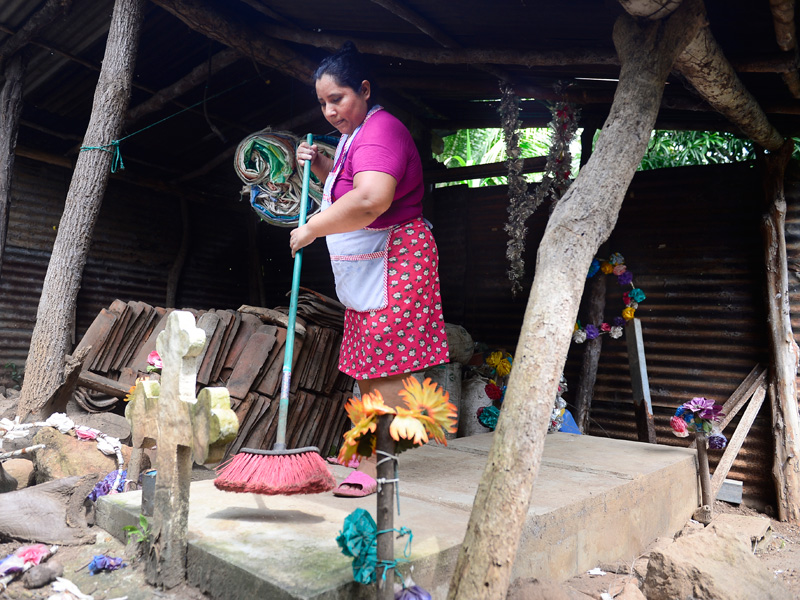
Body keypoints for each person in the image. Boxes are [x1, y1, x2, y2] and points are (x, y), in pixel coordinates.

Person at [292, 42, 449, 497]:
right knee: (371, 368)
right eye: (322, 103)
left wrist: (310, 230)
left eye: (336, 99)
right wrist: (324, 165)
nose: (329, 112)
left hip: (395, 259)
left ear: (363, 89)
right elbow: (349, 190)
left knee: (385, 368)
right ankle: (376, 457)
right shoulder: (353, 138)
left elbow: (370, 200)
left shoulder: (382, 130)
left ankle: (371, 465)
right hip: (371, 266)